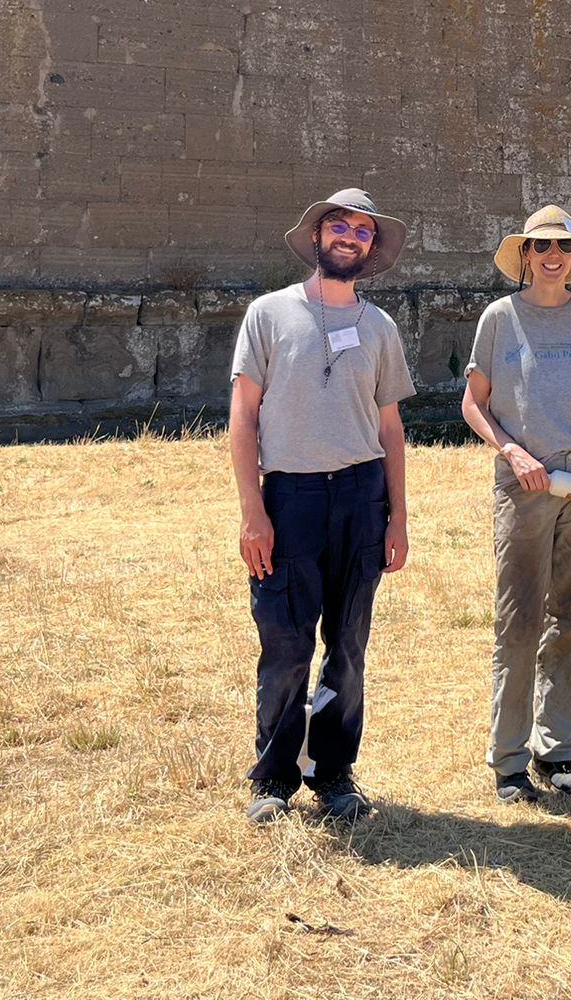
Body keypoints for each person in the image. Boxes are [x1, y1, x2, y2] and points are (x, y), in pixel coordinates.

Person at [232, 188, 417, 824]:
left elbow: (390, 428)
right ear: (316, 237)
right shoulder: (268, 314)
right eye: (338, 226)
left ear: (371, 249)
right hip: (291, 496)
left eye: (362, 231)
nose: (349, 236)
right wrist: (254, 510)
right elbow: (243, 417)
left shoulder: (380, 328)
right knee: (284, 640)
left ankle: (333, 772)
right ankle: (275, 777)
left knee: (348, 641)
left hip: (361, 495)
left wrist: (397, 515)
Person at [461, 206, 571, 803]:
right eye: (541, 247)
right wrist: (513, 453)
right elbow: (473, 403)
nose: (552, 255)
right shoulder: (500, 317)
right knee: (518, 621)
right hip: (526, 483)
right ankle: (508, 758)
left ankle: (556, 750)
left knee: (569, 620)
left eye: (563, 246)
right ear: (525, 257)